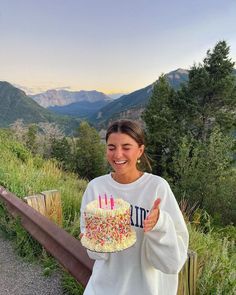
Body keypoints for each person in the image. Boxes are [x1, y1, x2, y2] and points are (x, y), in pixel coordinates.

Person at [80, 119, 189, 295]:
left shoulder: (157, 187)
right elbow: (97, 254)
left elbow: (173, 263)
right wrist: (93, 240)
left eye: (126, 147)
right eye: (111, 147)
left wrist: (160, 224)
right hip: (103, 287)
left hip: (147, 288)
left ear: (140, 150)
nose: (117, 155)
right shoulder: (96, 188)